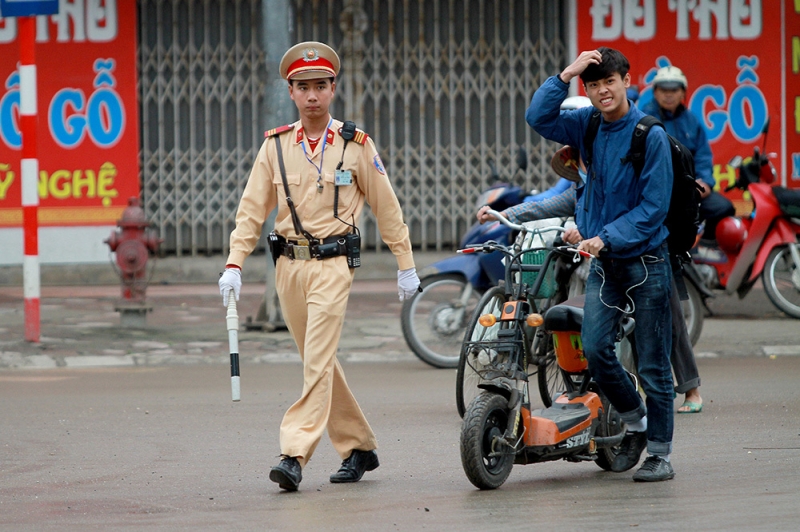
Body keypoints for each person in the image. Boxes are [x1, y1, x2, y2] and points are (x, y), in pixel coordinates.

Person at [218, 41, 420, 492]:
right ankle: (358, 447)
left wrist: (405, 262)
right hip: (288, 267)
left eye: (321, 86)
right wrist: (234, 262)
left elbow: (387, 208)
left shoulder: (356, 145)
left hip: (333, 265)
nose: (312, 95)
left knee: (316, 361)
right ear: (291, 91)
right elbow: (252, 210)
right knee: (319, 359)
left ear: (333, 89)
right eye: (303, 87)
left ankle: (293, 453)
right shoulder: (275, 147)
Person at [525, 47, 676, 482]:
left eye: (608, 81)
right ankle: (636, 422)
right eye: (592, 85)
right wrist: (565, 74)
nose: (601, 91)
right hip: (605, 264)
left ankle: (660, 453)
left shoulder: (650, 136)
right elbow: (538, 118)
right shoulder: (586, 123)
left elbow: (653, 208)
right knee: (593, 348)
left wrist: (603, 236)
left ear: (628, 80)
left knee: (651, 362)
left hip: (646, 262)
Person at [477, 145, 704, 414]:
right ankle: (624, 400)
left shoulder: (622, 184)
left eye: (587, 160)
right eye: (579, 162)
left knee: (670, 326)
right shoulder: (581, 193)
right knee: (602, 333)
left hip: (650, 258)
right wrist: (503, 214)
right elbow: (544, 206)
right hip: (609, 266)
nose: (584, 167)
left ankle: (691, 391)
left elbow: (632, 218)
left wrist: (589, 232)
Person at [641, 65, 735, 254]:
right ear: (655, 92)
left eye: (674, 90)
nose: (669, 95)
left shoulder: (691, 120)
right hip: (655, 191)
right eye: (664, 90)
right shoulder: (643, 117)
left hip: (688, 190)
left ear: (683, 92)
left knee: (724, 208)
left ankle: (702, 249)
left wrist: (704, 183)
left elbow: (702, 157)